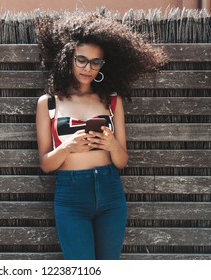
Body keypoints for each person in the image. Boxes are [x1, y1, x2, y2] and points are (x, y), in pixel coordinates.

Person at [35, 14, 166, 260]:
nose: (88, 68)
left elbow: (121, 161)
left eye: (96, 63)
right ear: (68, 59)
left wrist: (111, 144)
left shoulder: (112, 101)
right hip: (71, 195)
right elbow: (46, 164)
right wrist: (68, 147)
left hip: (110, 191)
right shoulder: (49, 103)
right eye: (81, 60)